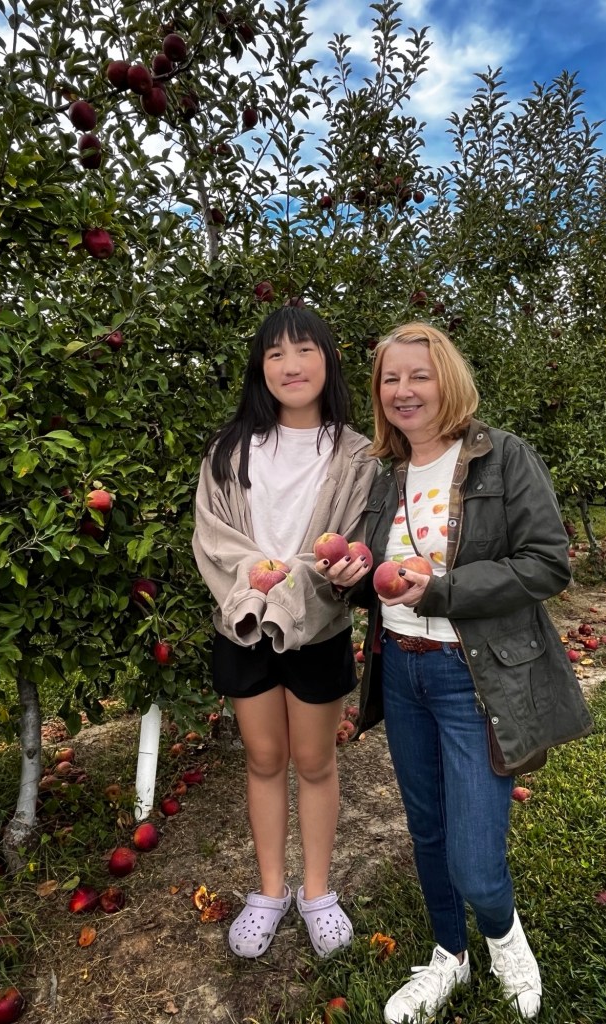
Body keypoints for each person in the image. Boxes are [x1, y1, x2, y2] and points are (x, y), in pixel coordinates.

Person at [321, 322, 594, 1022]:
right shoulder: (385, 475)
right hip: (402, 672)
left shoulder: (503, 458)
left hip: (473, 677)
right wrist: (349, 577)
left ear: (448, 379)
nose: (404, 390)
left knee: (474, 858)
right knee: (428, 831)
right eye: (390, 378)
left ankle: (505, 939)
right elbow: (377, 578)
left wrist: (442, 590)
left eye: (419, 374)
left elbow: (547, 563)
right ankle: (450, 953)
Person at [192, 306, 377, 960]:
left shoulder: (358, 456)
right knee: (265, 759)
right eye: (276, 354)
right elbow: (213, 538)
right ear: (260, 367)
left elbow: (354, 540)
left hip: (319, 627)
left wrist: (318, 576)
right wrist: (261, 582)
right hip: (245, 625)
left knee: (316, 762)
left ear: (328, 361)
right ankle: (270, 890)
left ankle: (317, 892)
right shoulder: (229, 449)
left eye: (305, 350)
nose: (291, 365)